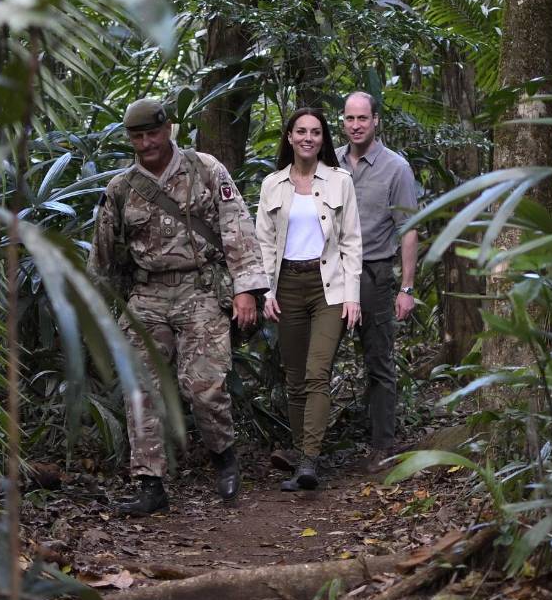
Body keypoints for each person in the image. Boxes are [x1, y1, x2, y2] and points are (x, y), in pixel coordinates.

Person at [92, 98, 268, 515]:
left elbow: (236, 228)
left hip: (201, 289)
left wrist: (246, 290)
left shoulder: (206, 169)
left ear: (168, 129)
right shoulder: (120, 188)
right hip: (147, 296)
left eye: (153, 133)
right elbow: (102, 258)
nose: (147, 143)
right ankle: (150, 483)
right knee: (141, 389)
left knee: (204, 386)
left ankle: (224, 457)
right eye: (138, 137)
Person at [256, 108, 362, 491]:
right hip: (286, 287)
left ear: (323, 139)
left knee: (318, 372)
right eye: (300, 131)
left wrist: (353, 296)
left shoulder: (340, 182)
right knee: (295, 377)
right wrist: (265, 291)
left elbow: (351, 241)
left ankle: (309, 461)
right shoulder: (273, 184)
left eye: (316, 132)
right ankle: (302, 456)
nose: (308, 138)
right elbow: (264, 243)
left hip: (328, 287)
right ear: (289, 137)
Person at [335, 92, 419, 474]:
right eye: (350, 118)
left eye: (362, 118)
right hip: (330, 274)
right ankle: (309, 450)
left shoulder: (395, 168)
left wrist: (406, 288)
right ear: (342, 121)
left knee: (378, 361)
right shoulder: (328, 161)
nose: (356, 125)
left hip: (374, 273)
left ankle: (383, 445)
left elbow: (408, 228)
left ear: (375, 121)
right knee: (315, 361)